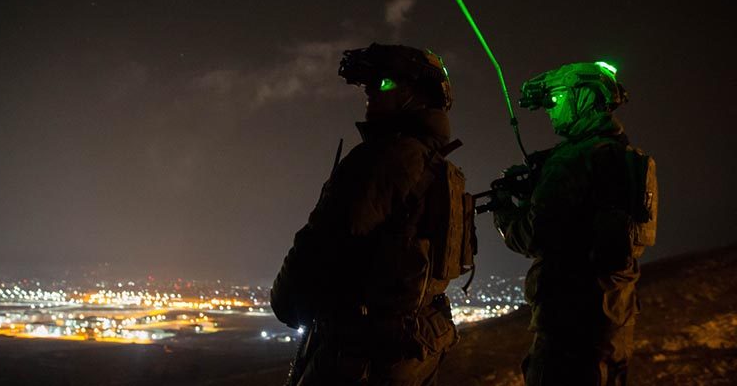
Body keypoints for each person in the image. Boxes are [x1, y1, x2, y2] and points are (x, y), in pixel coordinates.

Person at [271, 43, 474, 386]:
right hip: (415, 347)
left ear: (417, 94)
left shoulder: (381, 159)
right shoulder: (439, 166)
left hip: (363, 354)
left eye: (383, 84)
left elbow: (322, 243)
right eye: (368, 85)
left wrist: (288, 303)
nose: (369, 92)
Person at [492, 62, 658, 386]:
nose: (552, 112)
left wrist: (505, 212)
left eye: (556, 102)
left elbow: (531, 236)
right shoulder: (622, 156)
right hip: (615, 320)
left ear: (580, 98)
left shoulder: (571, 162)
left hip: (569, 328)